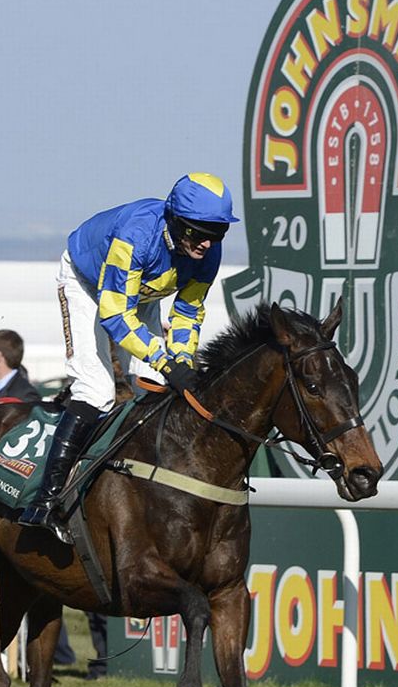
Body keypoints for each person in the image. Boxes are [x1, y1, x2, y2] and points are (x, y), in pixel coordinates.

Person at [18, 172, 239, 540]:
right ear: (174, 220)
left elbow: (187, 311)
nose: (206, 243)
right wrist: (165, 359)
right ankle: (45, 500)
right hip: (89, 284)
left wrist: (181, 360)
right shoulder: (136, 236)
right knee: (97, 390)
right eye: (197, 232)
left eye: (216, 233)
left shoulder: (207, 253)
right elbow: (115, 314)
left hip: (141, 292)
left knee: (152, 385)